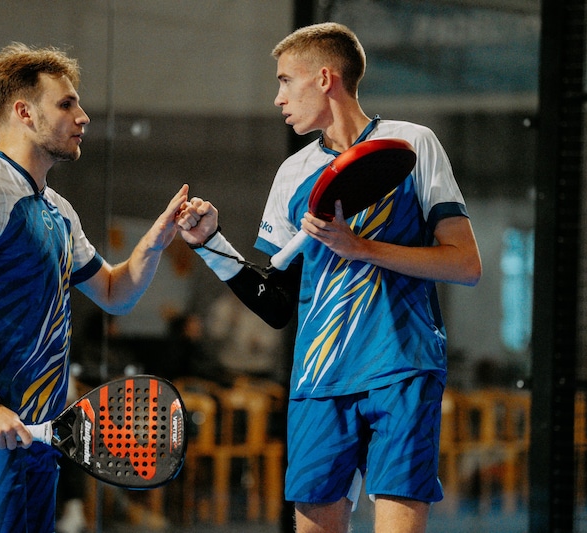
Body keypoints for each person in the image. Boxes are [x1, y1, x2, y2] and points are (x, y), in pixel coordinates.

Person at [177, 23, 482, 533]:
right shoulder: (292, 174)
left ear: (324, 78)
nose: (277, 98)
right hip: (318, 381)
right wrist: (209, 243)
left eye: (284, 81)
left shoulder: (413, 144)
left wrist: (359, 247)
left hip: (402, 368)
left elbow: (465, 264)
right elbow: (277, 303)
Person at [0, 42, 188, 533]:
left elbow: (113, 292)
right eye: (66, 104)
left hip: (36, 433)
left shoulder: (56, 208)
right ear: (23, 113)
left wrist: (155, 241)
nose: (83, 116)